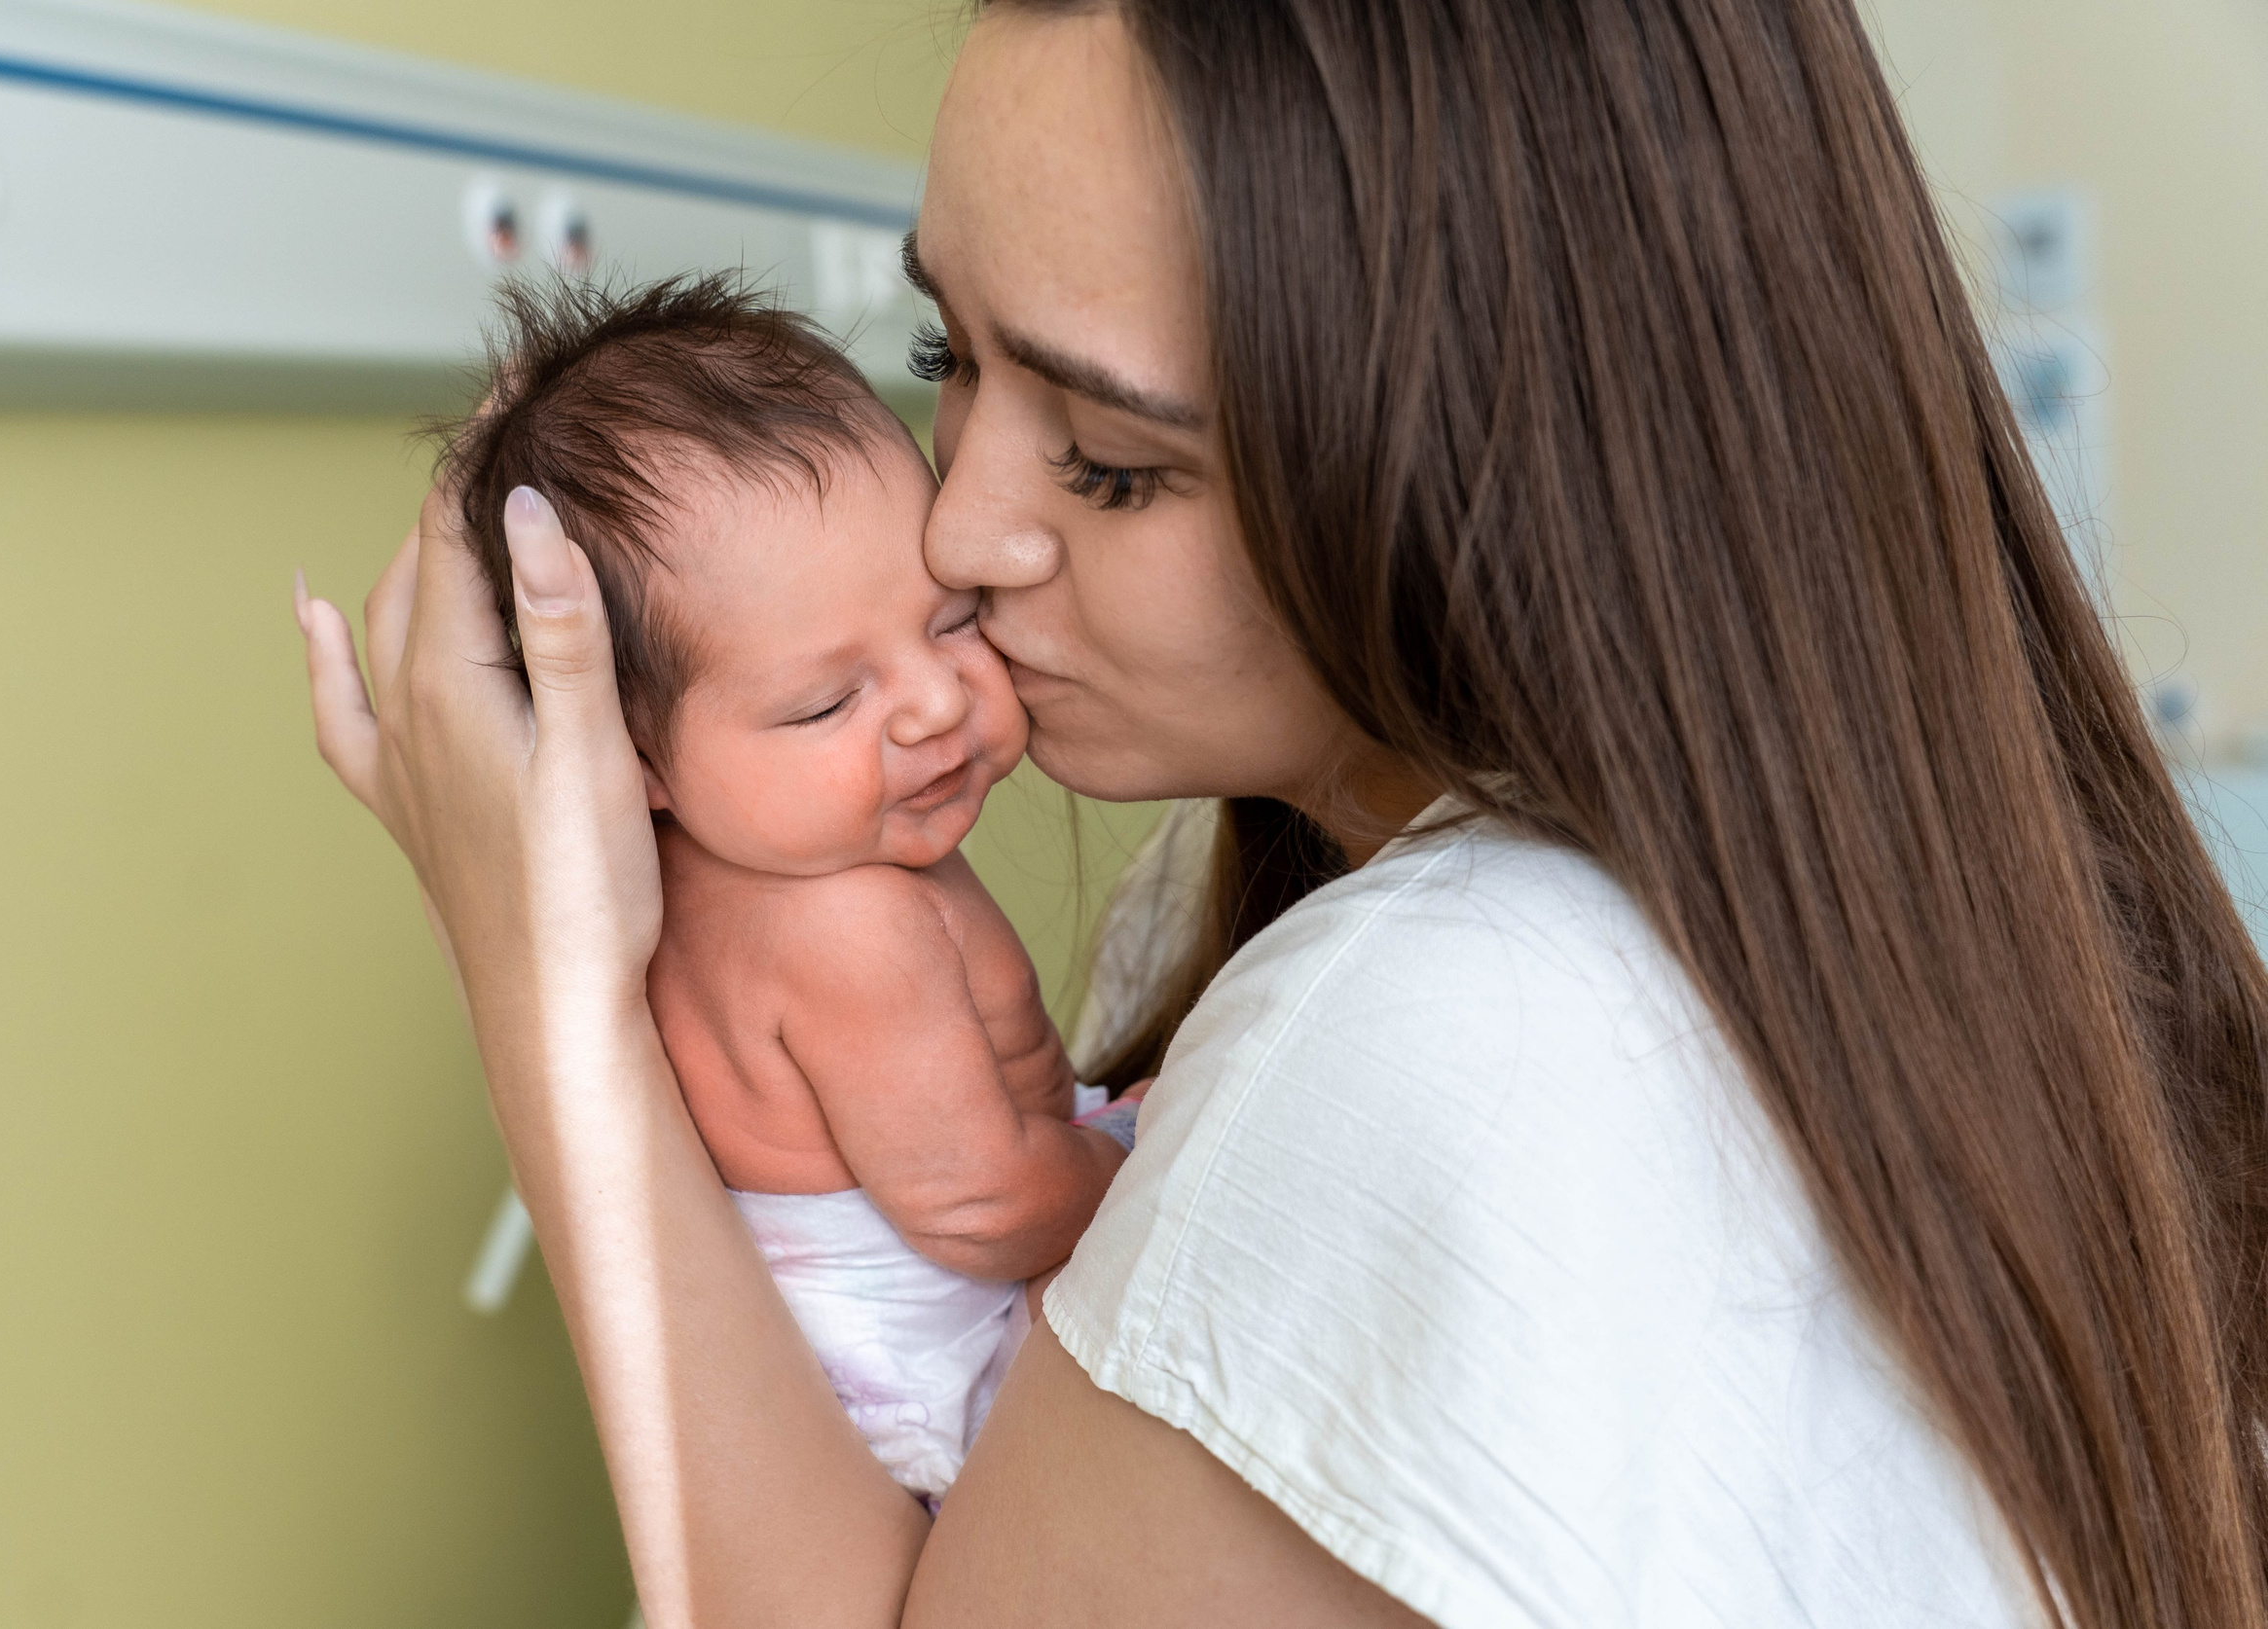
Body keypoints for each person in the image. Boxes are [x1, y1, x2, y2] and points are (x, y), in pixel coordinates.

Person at [296, 2, 2268, 1625]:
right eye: (941, 359)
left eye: (1114, 463)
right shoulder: (1870, 904)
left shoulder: (1438, 1019)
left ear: (1494, 465)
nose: (962, 529)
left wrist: (546, 991)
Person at [434, 273, 1142, 1501]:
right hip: (937, 1357)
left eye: (953, 620)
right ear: (635, 758)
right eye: (828, 700)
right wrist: (1146, 1166)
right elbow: (976, 1202)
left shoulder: (732, 861)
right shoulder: (842, 920)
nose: (929, 703)